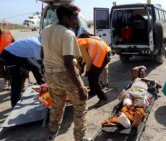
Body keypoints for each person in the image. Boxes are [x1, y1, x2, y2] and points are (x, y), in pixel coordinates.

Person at [40, 4, 88, 141]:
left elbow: (42, 55)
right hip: (65, 74)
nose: (76, 21)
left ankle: (52, 132)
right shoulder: (68, 34)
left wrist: (48, 71)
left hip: (50, 74)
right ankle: (80, 138)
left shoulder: (46, 30)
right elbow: (68, 63)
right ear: (66, 18)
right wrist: (80, 87)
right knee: (80, 106)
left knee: (56, 104)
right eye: (74, 17)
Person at [0, 36, 44, 107]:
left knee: (35, 68)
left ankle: (44, 88)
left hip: (20, 55)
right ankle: (15, 103)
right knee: (16, 80)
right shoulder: (37, 44)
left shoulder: (39, 39)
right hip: (9, 55)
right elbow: (40, 61)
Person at [78, 35, 111, 108]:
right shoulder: (79, 41)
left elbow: (88, 62)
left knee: (93, 77)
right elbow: (83, 59)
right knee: (91, 74)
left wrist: (86, 70)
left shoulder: (79, 45)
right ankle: (93, 91)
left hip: (103, 54)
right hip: (102, 52)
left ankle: (103, 98)